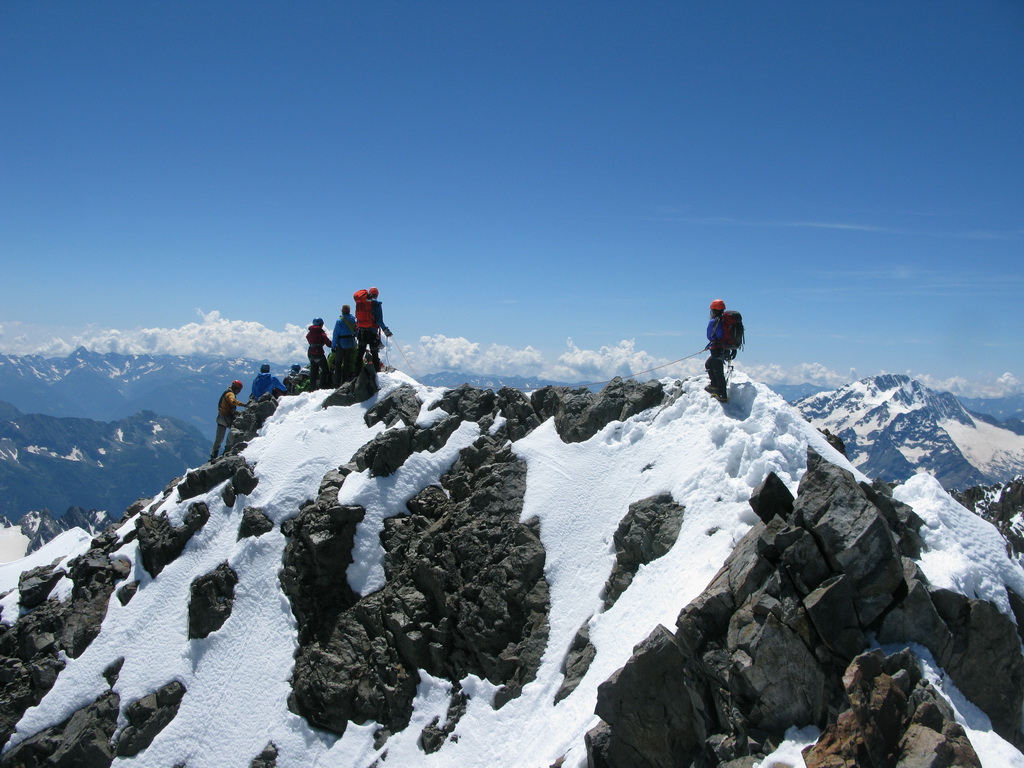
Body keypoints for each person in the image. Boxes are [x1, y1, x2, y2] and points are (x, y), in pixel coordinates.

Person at [353, 287, 392, 372]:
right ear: (377, 295)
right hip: (372, 333)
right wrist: (386, 331)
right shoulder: (376, 305)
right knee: (374, 353)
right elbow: (379, 321)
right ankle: (376, 373)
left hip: (361, 332)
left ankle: (356, 373)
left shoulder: (361, 303)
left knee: (360, 353)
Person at [211, 380, 246, 460]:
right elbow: (233, 401)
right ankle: (227, 449)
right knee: (235, 431)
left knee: (218, 439)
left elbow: (227, 407)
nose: (239, 392)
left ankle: (213, 455)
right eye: (239, 390)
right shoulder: (230, 394)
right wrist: (244, 404)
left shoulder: (226, 393)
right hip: (226, 418)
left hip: (220, 418)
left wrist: (236, 412)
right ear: (236, 388)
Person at [705, 299, 730, 403]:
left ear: (714, 310)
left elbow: (709, 335)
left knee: (717, 370)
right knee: (710, 364)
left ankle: (722, 394)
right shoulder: (726, 321)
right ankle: (714, 386)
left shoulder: (714, 321)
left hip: (717, 348)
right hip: (726, 348)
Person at [331, 304, 358, 386]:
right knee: (347, 363)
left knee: (338, 364)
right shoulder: (353, 321)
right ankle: (345, 382)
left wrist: (333, 346)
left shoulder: (339, 321)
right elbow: (356, 332)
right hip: (351, 343)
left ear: (342, 311)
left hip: (341, 344)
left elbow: (335, 334)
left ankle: (337, 383)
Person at [306, 318, 333, 390]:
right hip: (318, 353)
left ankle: (312, 388)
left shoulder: (310, 333)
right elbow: (329, 344)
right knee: (325, 370)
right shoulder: (321, 333)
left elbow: (307, 337)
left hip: (310, 352)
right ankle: (322, 386)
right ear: (321, 324)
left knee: (314, 371)